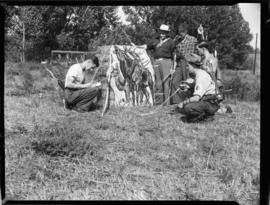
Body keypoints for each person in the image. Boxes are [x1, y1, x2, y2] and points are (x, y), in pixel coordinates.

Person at [173, 53, 222, 123]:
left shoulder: (201, 76)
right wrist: (187, 86)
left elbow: (196, 98)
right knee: (187, 108)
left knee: (188, 107)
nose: (187, 68)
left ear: (192, 65)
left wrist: (182, 103)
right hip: (208, 101)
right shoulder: (199, 74)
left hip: (210, 103)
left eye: (188, 66)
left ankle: (207, 116)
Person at [136, 24, 175, 105]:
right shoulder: (155, 40)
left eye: (164, 33)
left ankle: (166, 103)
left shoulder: (171, 41)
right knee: (158, 82)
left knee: (166, 82)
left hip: (166, 62)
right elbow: (146, 46)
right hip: (156, 62)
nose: (162, 34)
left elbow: (174, 54)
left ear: (167, 33)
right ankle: (158, 102)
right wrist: (136, 47)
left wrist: (173, 67)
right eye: (161, 32)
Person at [196, 41, 232, 114]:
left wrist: (204, 68)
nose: (197, 52)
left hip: (212, 85)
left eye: (198, 50)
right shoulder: (203, 59)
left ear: (203, 48)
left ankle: (225, 109)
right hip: (204, 83)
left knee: (214, 107)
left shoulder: (212, 59)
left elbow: (212, 73)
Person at [171, 23, 198, 104]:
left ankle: (189, 101)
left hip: (189, 63)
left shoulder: (192, 39)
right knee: (175, 82)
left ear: (186, 31)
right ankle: (177, 101)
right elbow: (172, 48)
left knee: (188, 83)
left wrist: (200, 33)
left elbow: (199, 45)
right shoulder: (177, 40)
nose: (181, 33)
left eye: (182, 32)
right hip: (179, 63)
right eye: (179, 32)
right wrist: (175, 40)